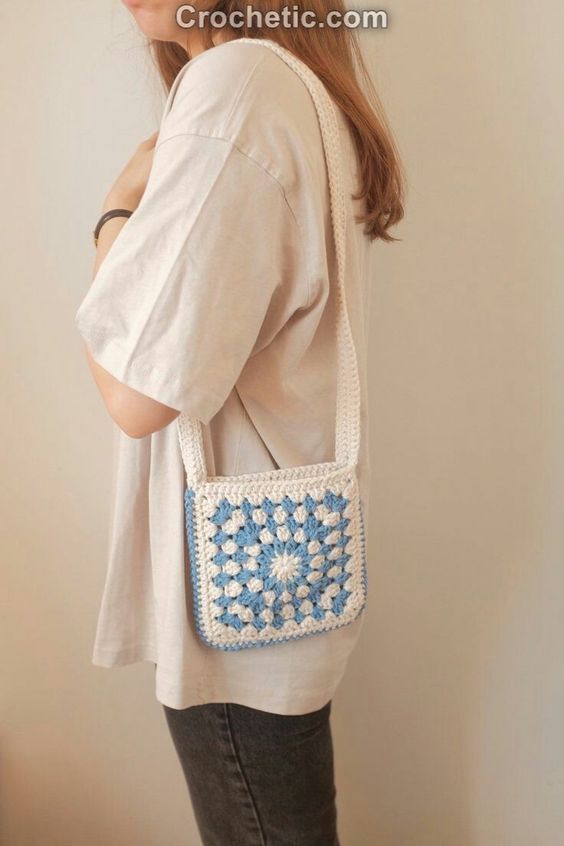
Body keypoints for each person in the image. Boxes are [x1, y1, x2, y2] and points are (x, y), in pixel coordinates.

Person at [74, 2, 404, 843]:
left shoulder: (239, 84)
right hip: (276, 576)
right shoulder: (285, 84)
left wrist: (114, 212)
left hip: (231, 604)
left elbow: (136, 392)